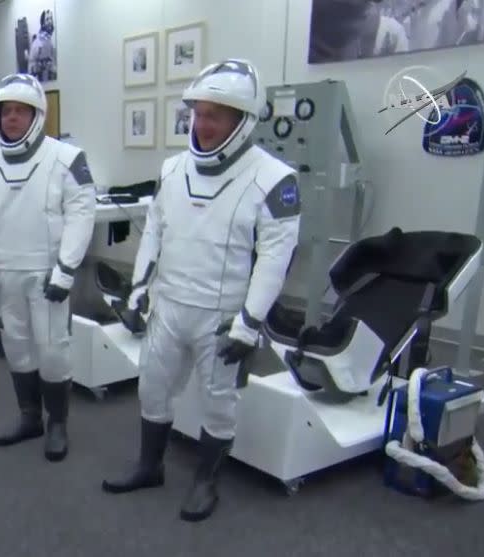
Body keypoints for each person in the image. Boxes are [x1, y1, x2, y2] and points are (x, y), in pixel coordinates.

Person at [101, 60, 301, 522]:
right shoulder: (173, 169)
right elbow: (155, 230)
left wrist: (250, 325)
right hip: (169, 305)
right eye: (200, 112)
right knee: (152, 389)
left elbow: (275, 257)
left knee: (219, 401)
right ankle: (150, 467)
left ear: (244, 119)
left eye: (217, 114)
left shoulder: (274, 179)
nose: (205, 124)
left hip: (225, 316)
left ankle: (206, 481)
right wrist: (138, 292)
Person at [0, 73, 96, 462]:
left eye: (21, 111)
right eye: (7, 111)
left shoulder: (67, 159)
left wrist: (66, 268)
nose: (12, 118)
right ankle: (29, 417)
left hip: (47, 274)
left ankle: (57, 423)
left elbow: (81, 212)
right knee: (17, 348)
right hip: (4, 272)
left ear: (38, 115)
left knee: (53, 351)